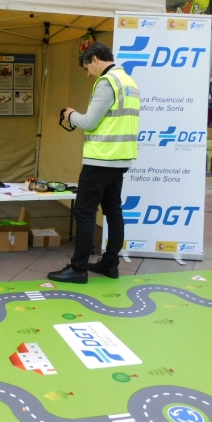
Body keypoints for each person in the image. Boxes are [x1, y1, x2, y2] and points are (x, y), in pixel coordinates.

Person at [47, 42, 140, 284]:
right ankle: (111, 264)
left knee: (84, 212)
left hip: (100, 158)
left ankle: (78, 269)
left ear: (96, 59)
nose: (88, 73)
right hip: (120, 158)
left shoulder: (107, 82)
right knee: (113, 211)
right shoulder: (128, 82)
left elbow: (88, 121)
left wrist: (70, 115)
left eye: (88, 67)